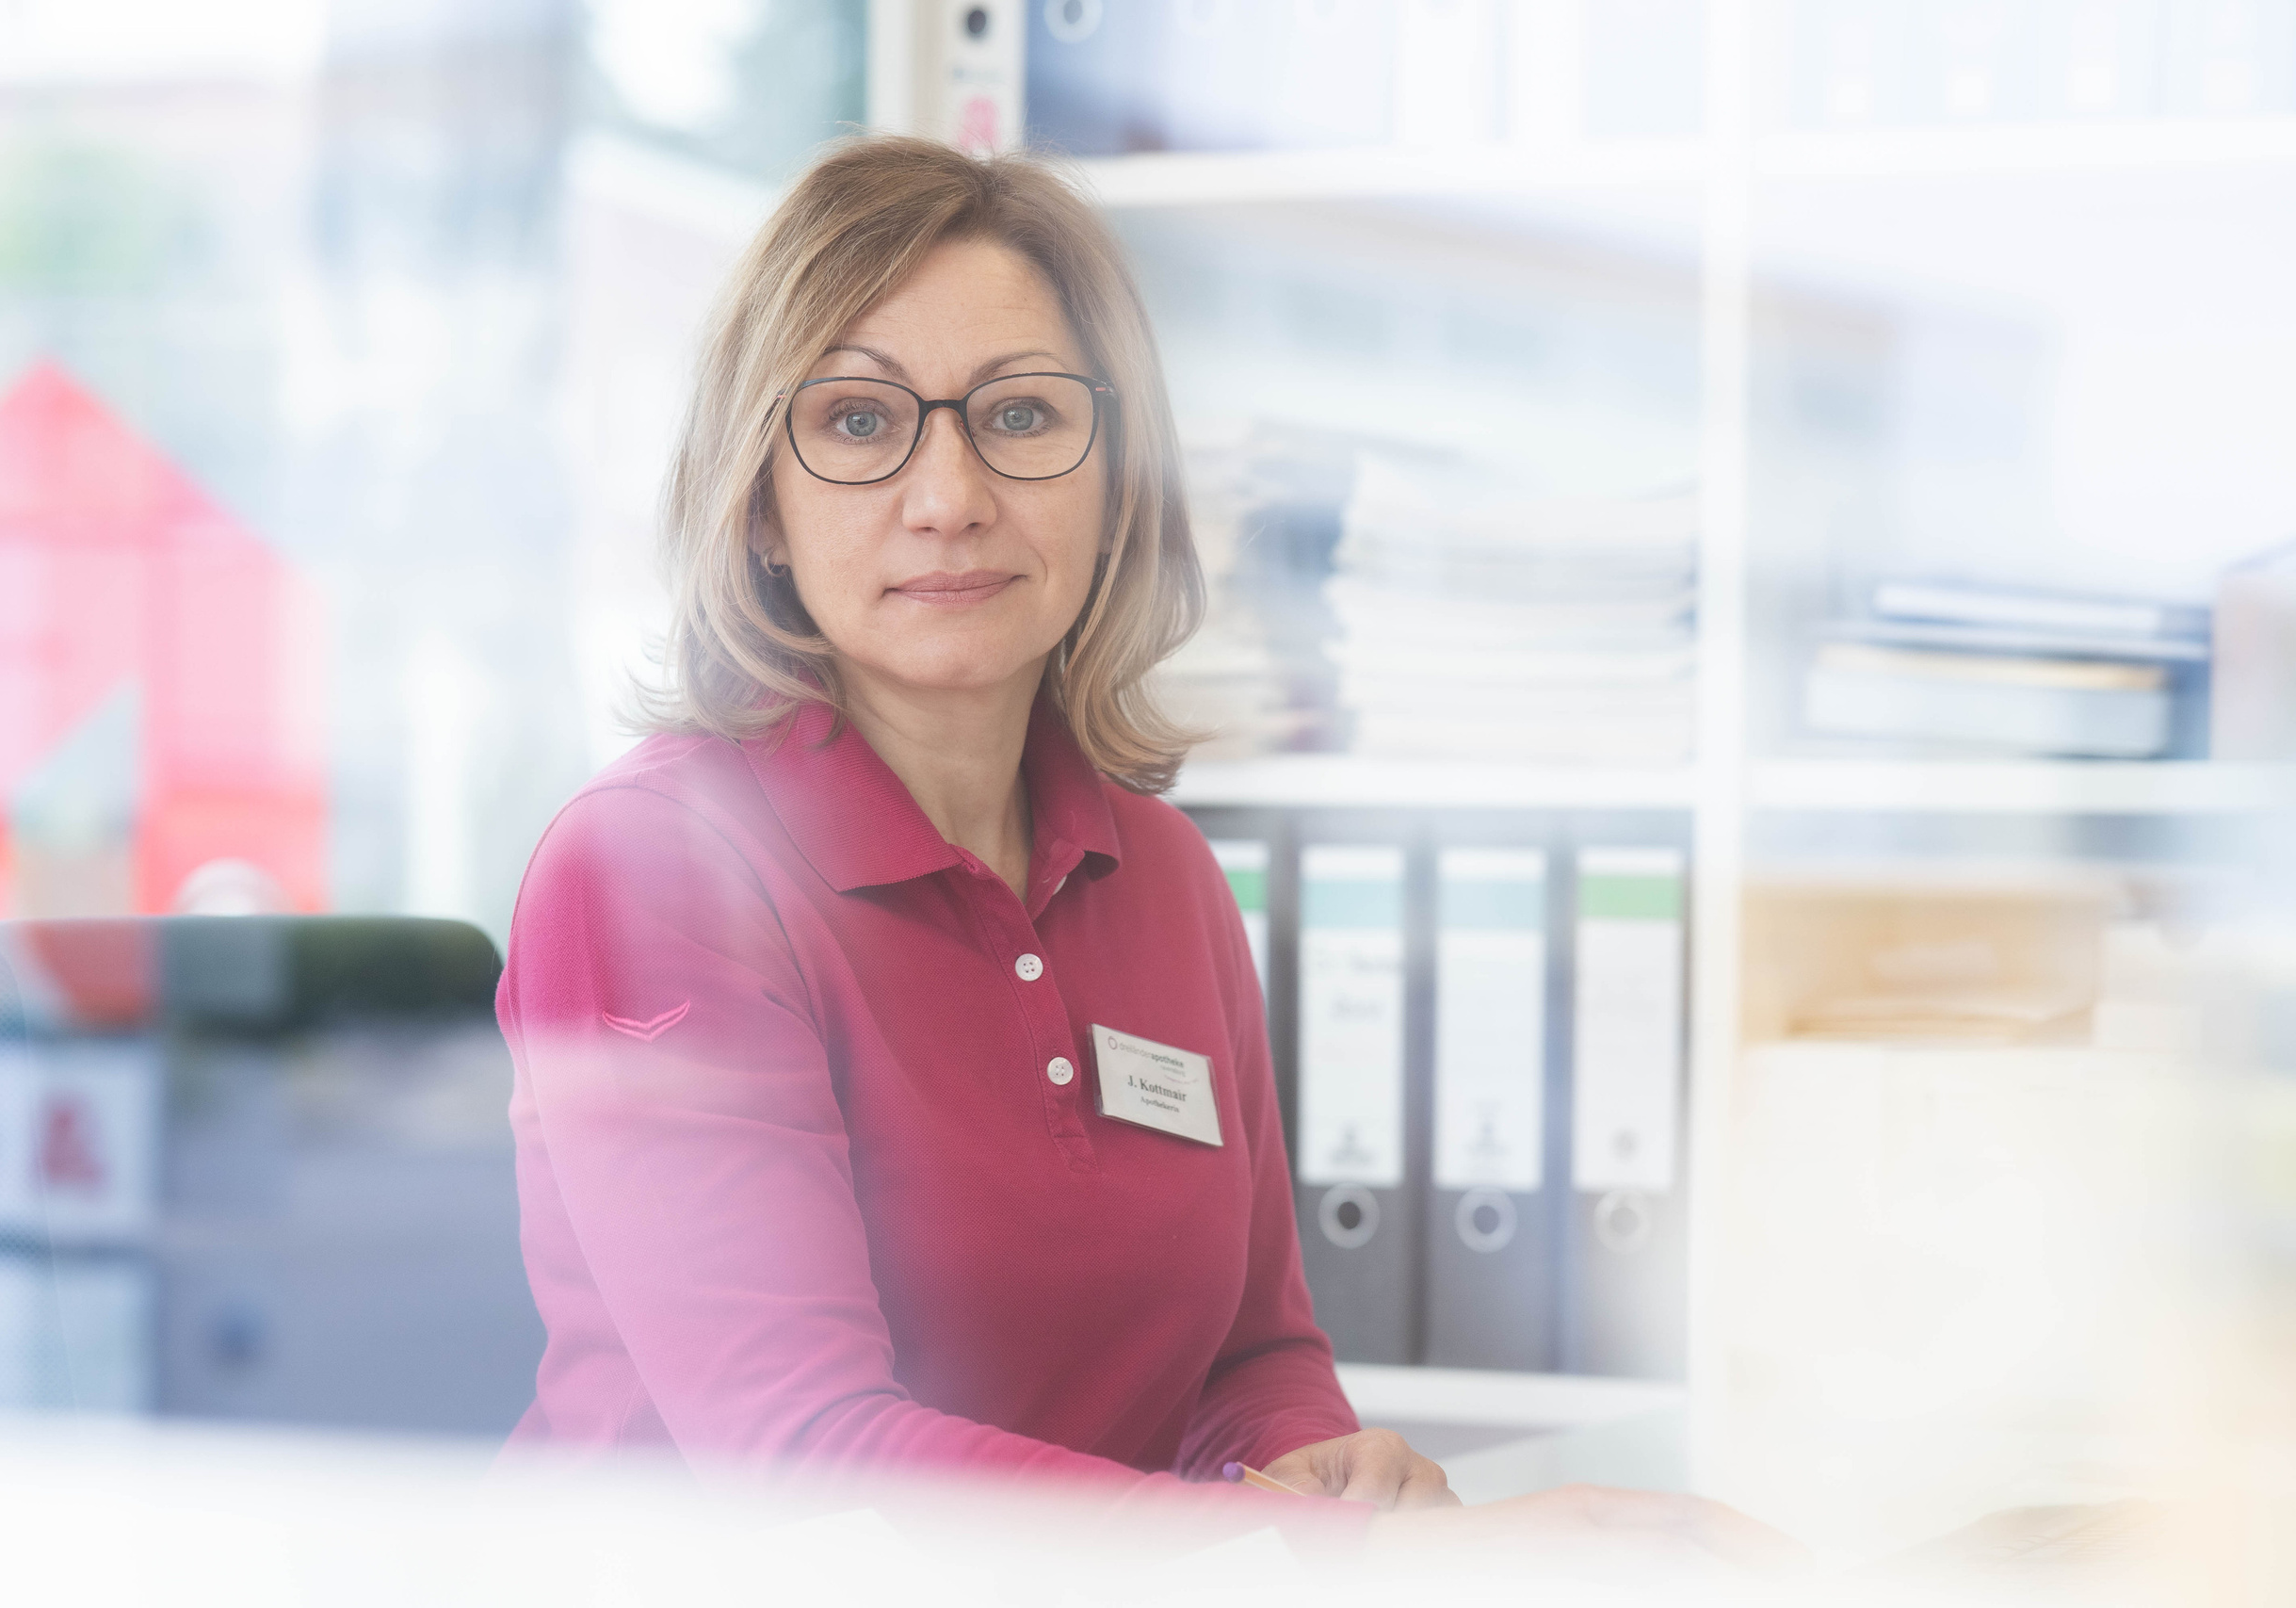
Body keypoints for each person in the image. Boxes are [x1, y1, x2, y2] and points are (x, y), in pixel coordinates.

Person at [496, 133, 1793, 1570]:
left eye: (1023, 416)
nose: (950, 496)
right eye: (860, 424)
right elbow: (808, 1462)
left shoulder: (1161, 873)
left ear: (1115, 476)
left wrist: (1310, 1474)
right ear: (760, 504)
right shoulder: (655, 874)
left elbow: (1250, 1352)